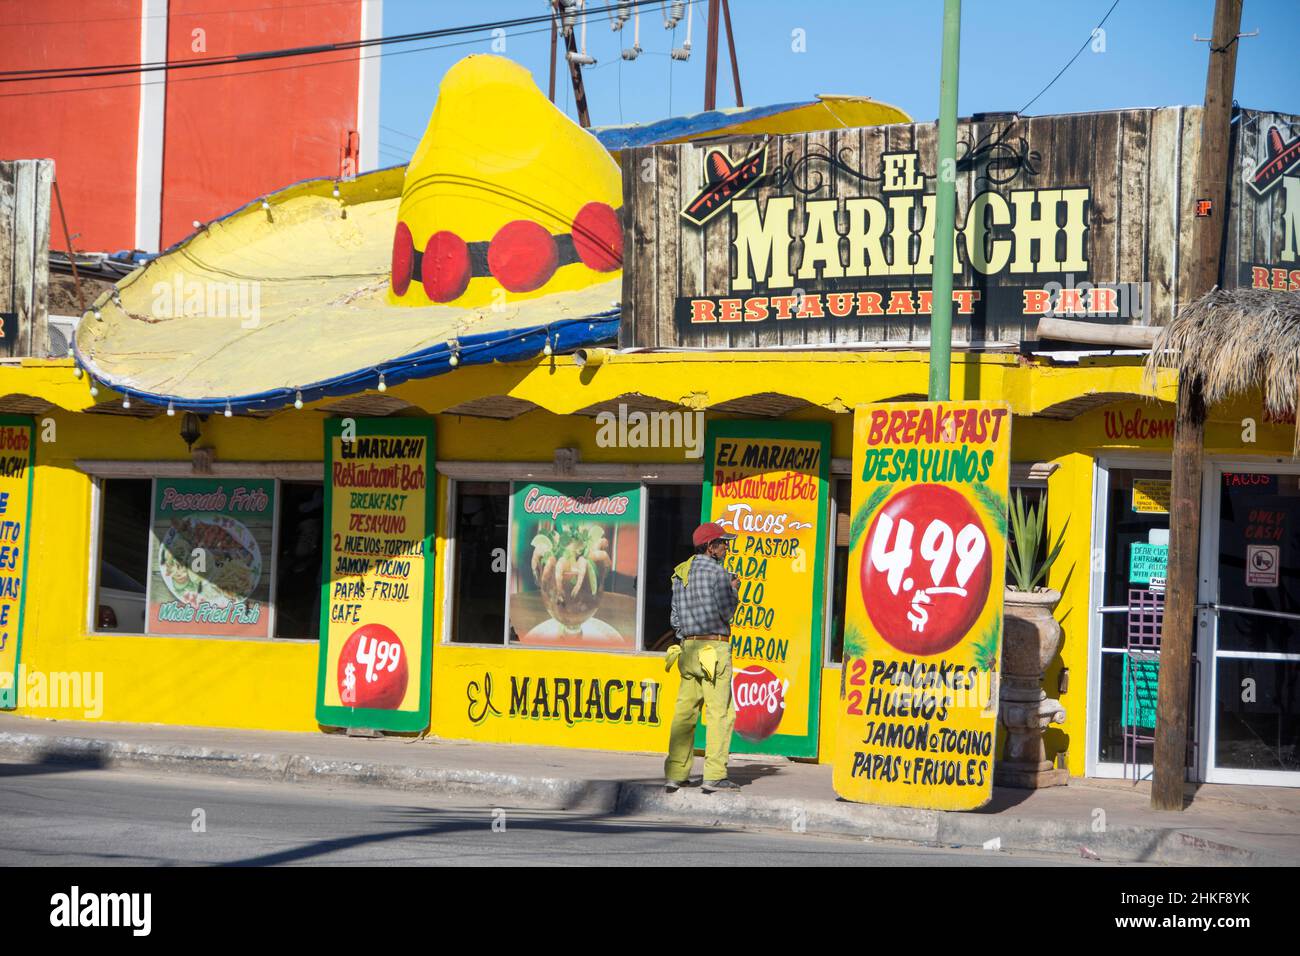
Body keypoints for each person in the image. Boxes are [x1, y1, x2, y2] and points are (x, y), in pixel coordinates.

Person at [664, 521, 742, 793]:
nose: (726, 548)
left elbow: (675, 618)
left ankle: (676, 773)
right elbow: (727, 612)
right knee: (720, 713)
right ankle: (715, 775)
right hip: (714, 648)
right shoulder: (719, 574)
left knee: (685, 714)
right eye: (723, 543)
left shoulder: (679, 573)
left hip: (689, 650)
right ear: (710, 547)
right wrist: (733, 588)